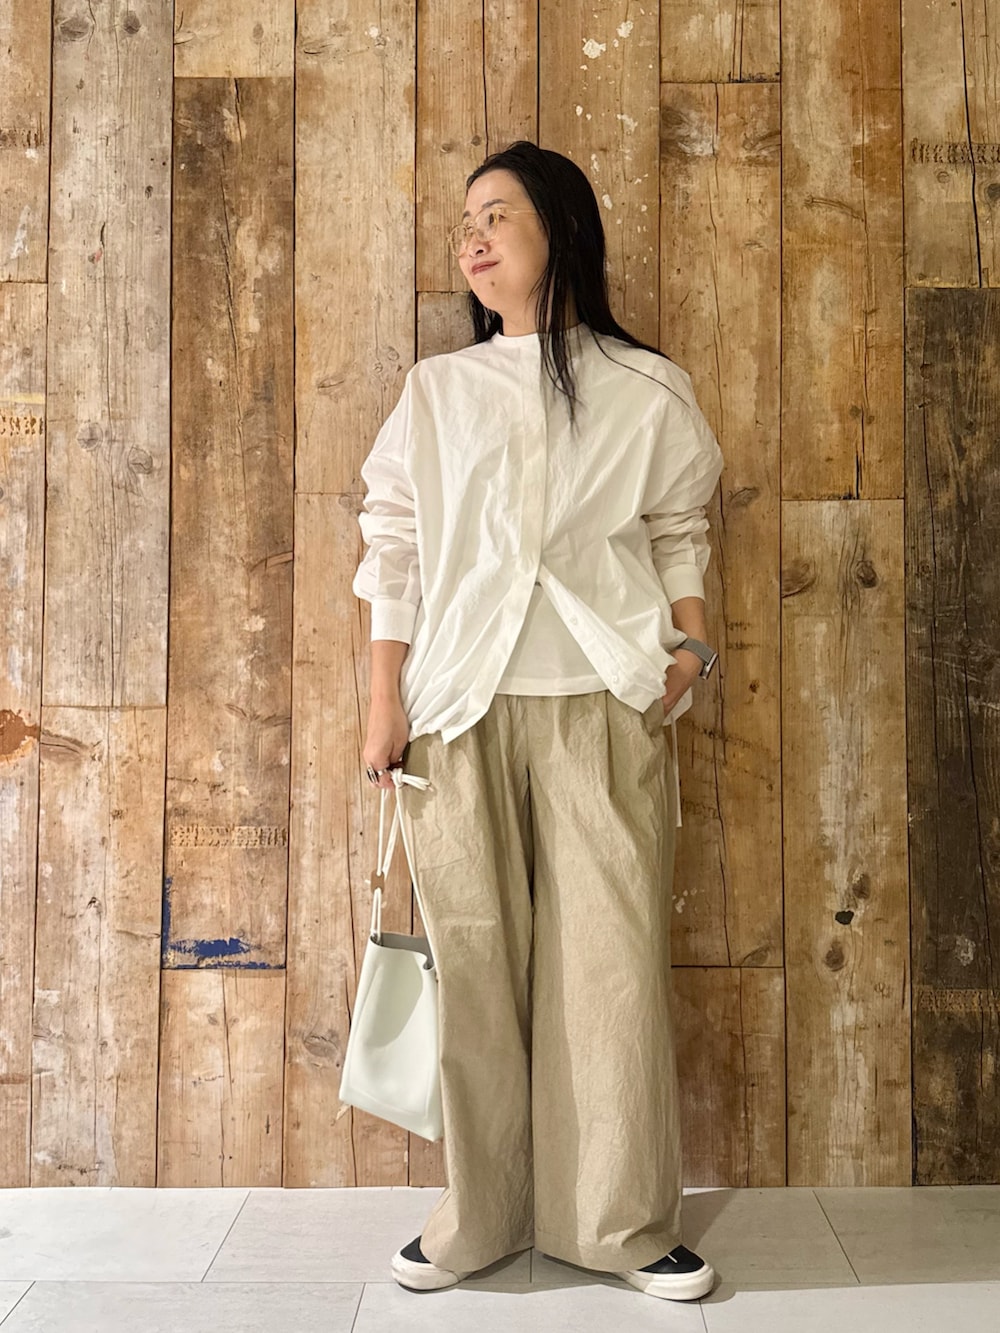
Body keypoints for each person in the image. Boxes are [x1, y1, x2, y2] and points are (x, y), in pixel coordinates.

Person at [351, 141, 723, 1303]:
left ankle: (618, 1224)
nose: (473, 237)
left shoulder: (646, 387)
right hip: (458, 710)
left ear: (561, 227)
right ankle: (480, 1217)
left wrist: (692, 647)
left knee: (609, 970)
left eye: (497, 214)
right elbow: (395, 545)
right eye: (465, 220)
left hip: (605, 703)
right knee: (470, 965)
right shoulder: (437, 391)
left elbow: (678, 525)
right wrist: (383, 699)